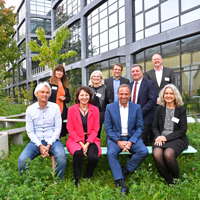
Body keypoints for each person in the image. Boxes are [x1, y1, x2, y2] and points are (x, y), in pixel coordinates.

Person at [104, 84, 148, 194]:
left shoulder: (136, 107)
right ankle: (121, 183)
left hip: (132, 137)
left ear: (130, 95)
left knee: (143, 151)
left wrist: (131, 142)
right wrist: (118, 141)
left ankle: (125, 170)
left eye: (126, 94)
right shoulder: (110, 108)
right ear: (117, 94)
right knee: (111, 153)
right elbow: (108, 128)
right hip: (115, 138)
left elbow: (140, 127)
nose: (124, 96)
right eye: (121, 94)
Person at [18, 82, 66, 180]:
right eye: (42, 92)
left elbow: (58, 128)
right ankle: (27, 182)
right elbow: (30, 131)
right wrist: (40, 145)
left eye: (47, 92)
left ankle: (58, 182)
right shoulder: (30, 109)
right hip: (36, 141)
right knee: (22, 160)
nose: (45, 94)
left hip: (53, 140)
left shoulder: (55, 107)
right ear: (37, 94)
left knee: (61, 158)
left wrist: (48, 145)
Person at [152, 84, 189, 185]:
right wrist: (159, 137)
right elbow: (154, 127)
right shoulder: (159, 109)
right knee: (157, 154)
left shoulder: (181, 110)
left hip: (177, 139)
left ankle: (176, 180)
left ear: (175, 95)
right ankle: (169, 181)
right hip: (160, 138)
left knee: (168, 154)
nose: (168, 95)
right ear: (163, 95)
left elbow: (182, 130)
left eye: (171, 93)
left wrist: (166, 138)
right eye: (166, 93)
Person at [66, 86, 102, 187]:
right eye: (82, 95)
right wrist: (82, 144)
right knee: (78, 153)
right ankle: (77, 178)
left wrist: (88, 143)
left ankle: (88, 176)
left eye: (86, 95)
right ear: (78, 96)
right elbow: (70, 129)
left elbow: (96, 129)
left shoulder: (95, 109)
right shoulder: (71, 109)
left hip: (92, 139)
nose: (84, 97)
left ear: (90, 96)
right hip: (75, 139)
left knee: (94, 157)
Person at [129, 64, 157, 146]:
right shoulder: (129, 86)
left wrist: (139, 113)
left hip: (145, 118)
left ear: (142, 72)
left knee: (142, 140)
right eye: (133, 71)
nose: (135, 73)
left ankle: (141, 157)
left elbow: (152, 101)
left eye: (137, 71)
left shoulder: (149, 84)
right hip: (131, 118)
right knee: (132, 138)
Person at [88, 70, 112, 139]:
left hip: (100, 113)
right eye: (94, 76)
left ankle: (97, 146)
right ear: (91, 78)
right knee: (89, 131)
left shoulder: (105, 88)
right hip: (90, 113)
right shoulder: (88, 88)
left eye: (98, 76)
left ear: (101, 78)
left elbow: (109, 101)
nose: (96, 78)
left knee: (97, 131)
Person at [49, 64, 70, 137]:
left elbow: (69, 98)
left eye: (61, 71)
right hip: (51, 111)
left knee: (60, 130)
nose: (59, 73)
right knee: (51, 130)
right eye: (57, 71)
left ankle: (58, 145)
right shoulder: (49, 83)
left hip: (62, 111)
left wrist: (65, 98)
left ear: (63, 74)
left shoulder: (65, 84)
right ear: (54, 72)